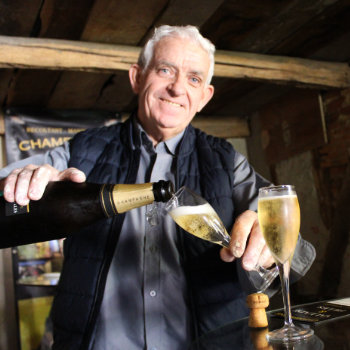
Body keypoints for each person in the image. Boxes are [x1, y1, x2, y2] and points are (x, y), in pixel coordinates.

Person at [0, 25, 315, 350]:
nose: (177, 88)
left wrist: (265, 247)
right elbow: (5, 197)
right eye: (165, 70)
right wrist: (29, 187)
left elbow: (295, 251)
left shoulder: (227, 161)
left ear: (204, 96)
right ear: (137, 77)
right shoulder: (80, 150)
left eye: (194, 78)